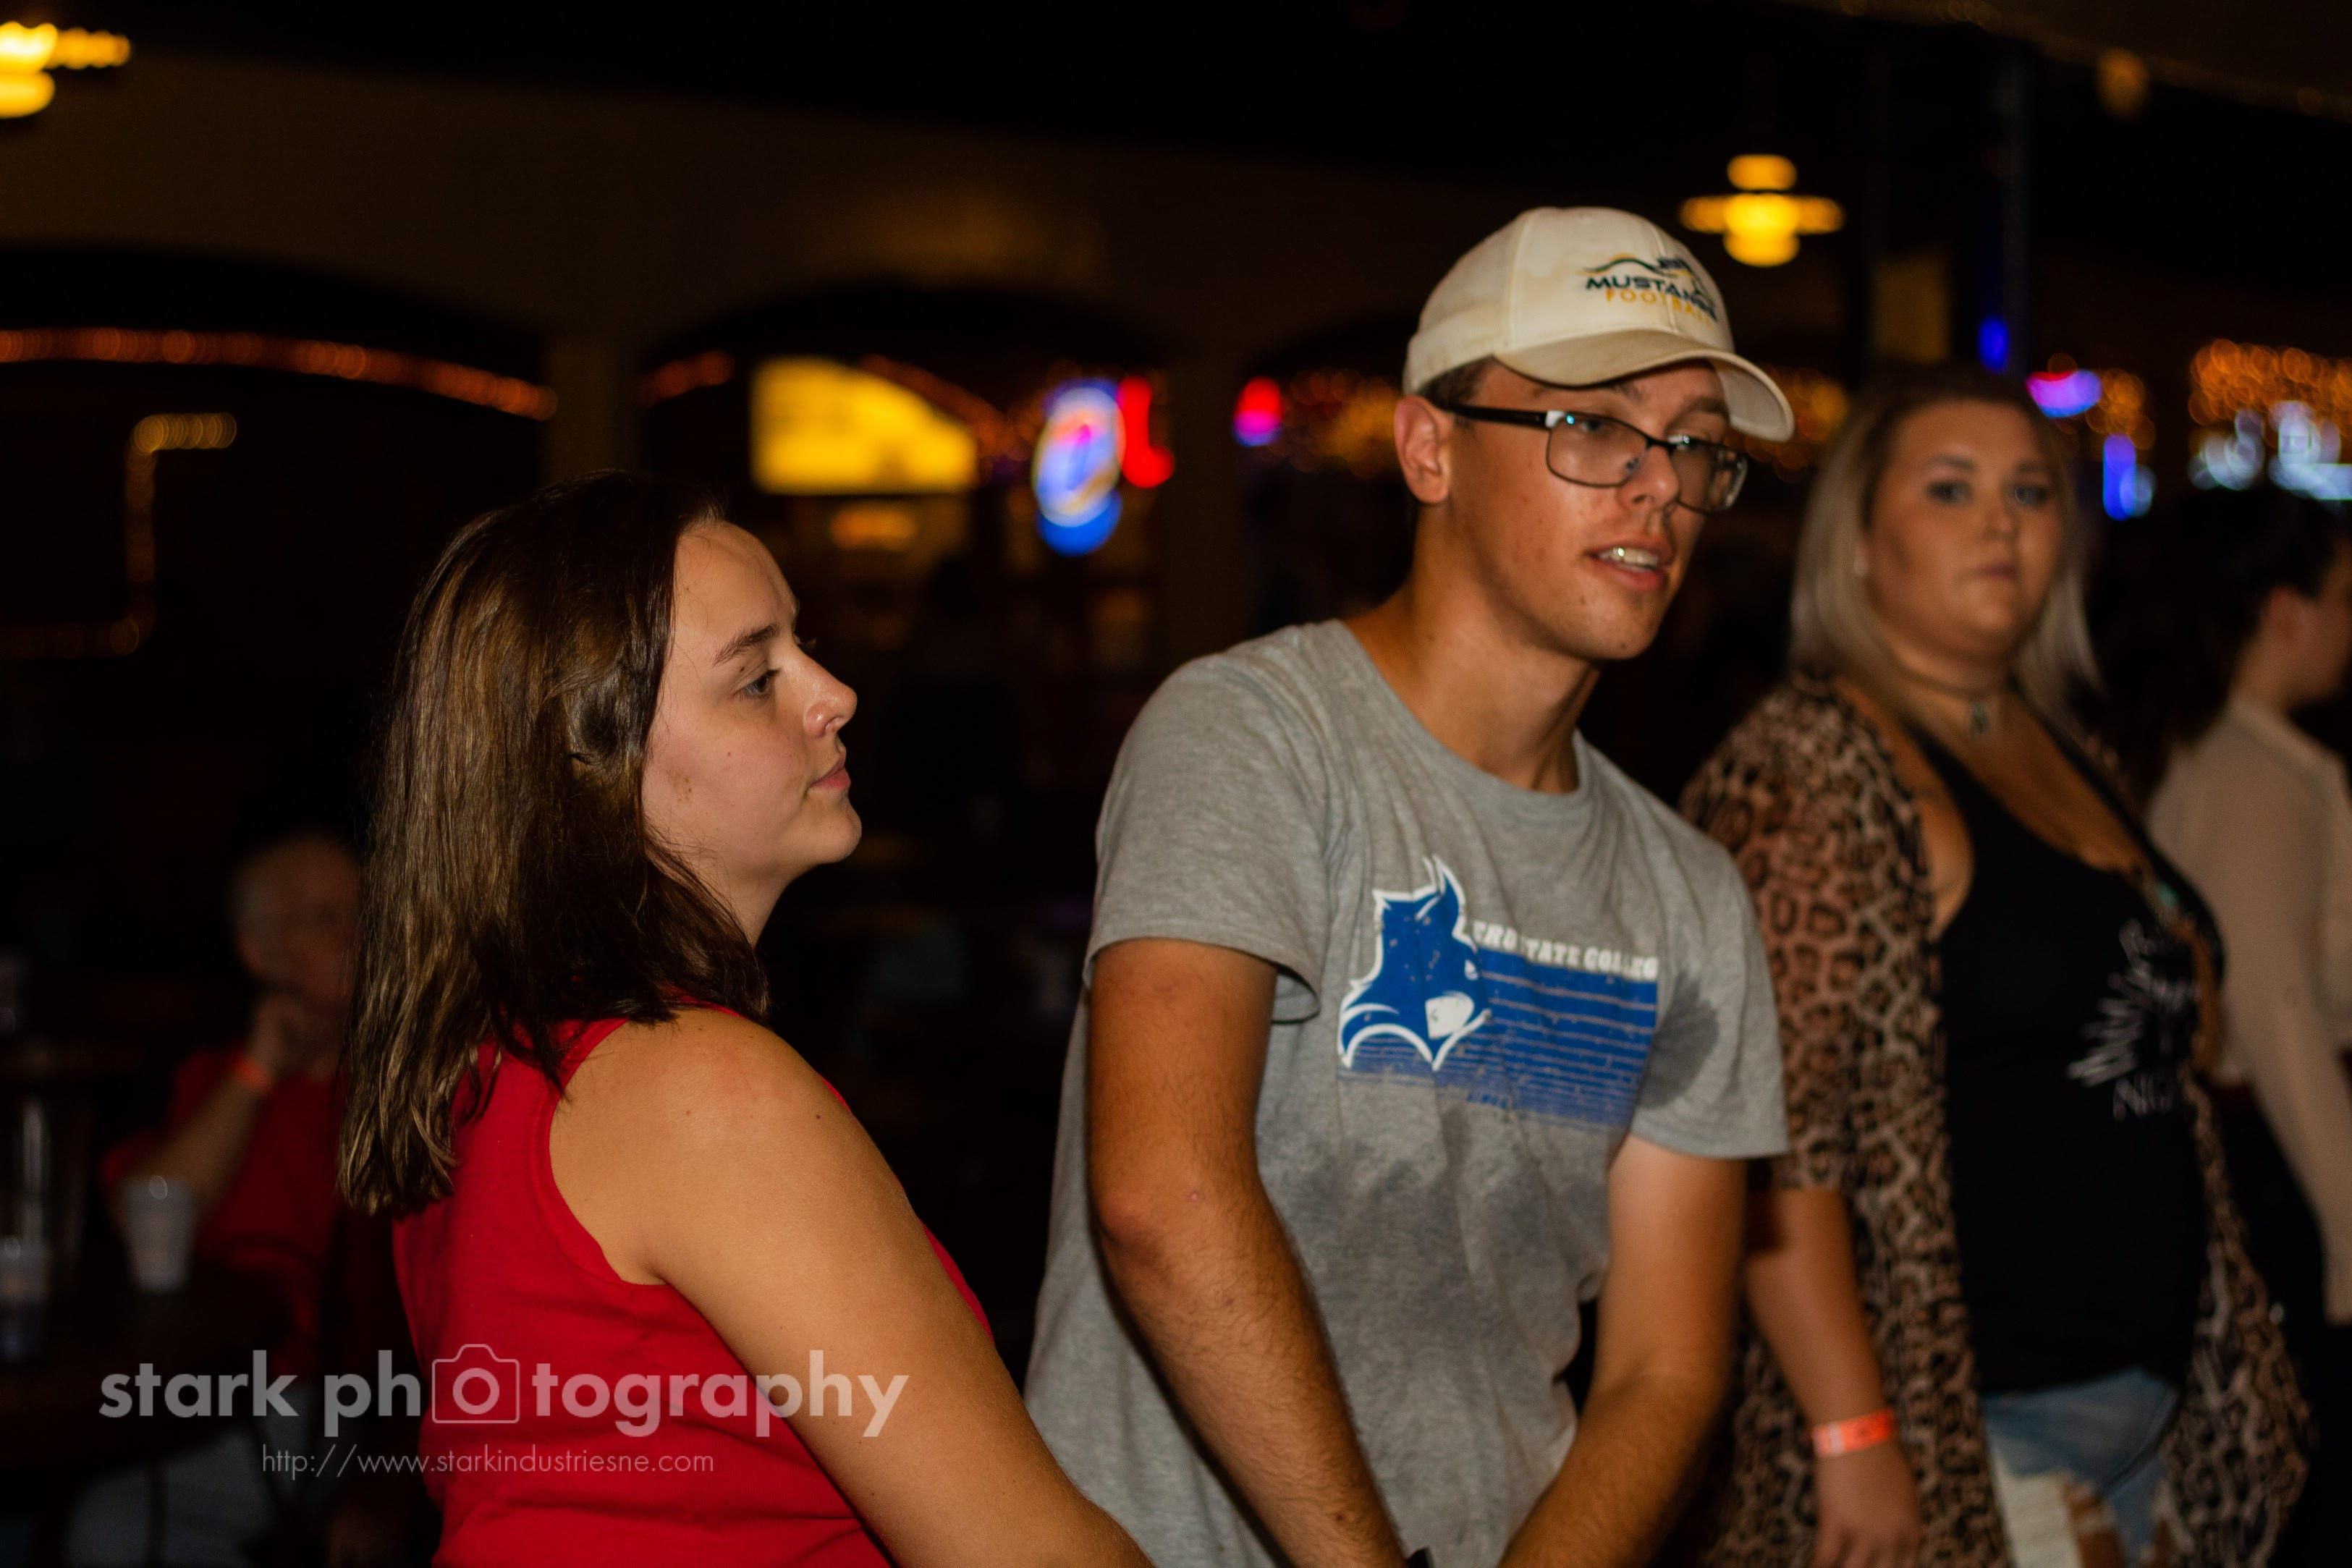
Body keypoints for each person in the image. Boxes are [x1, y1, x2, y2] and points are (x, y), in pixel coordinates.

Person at [1024, 207, 1795, 1567]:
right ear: (1429, 447)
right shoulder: (1257, 737)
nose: (1659, 488)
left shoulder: (1687, 896)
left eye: (1693, 444)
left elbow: (1664, 1371)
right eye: (1595, 427)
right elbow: (1161, 1198)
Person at [338, 473, 1145, 1567]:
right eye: (758, 677)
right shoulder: (698, 1090)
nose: (835, 692)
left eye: (802, 644)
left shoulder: (486, 1066)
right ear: (594, 770)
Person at [1680, 365, 2308, 1568]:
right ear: (1856, 542)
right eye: (1950, 488)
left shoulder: (2065, 746)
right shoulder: (1814, 770)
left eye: (2028, 492)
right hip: (1971, 1420)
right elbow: (1768, 1144)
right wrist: (1853, 1428)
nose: (1999, 523)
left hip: (2153, 1403)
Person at [2108, 484, 2352, 1562]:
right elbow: (2279, 1015)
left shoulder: (2210, 751)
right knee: (2302, 1486)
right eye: (2343, 598)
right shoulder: (2256, 779)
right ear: (2282, 611)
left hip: (2250, 1156)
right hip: (2275, 1168)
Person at [74, 831, 421, 1567]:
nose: (358, 934)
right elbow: (144, 1219)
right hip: (184, 1396)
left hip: (337, 1410)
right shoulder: (205, 1073)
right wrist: (259, 1068)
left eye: (367, 911)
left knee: (105, 1529)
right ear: (260, 954)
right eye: (323, 918)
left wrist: (393, 1459)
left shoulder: (411, 1085)